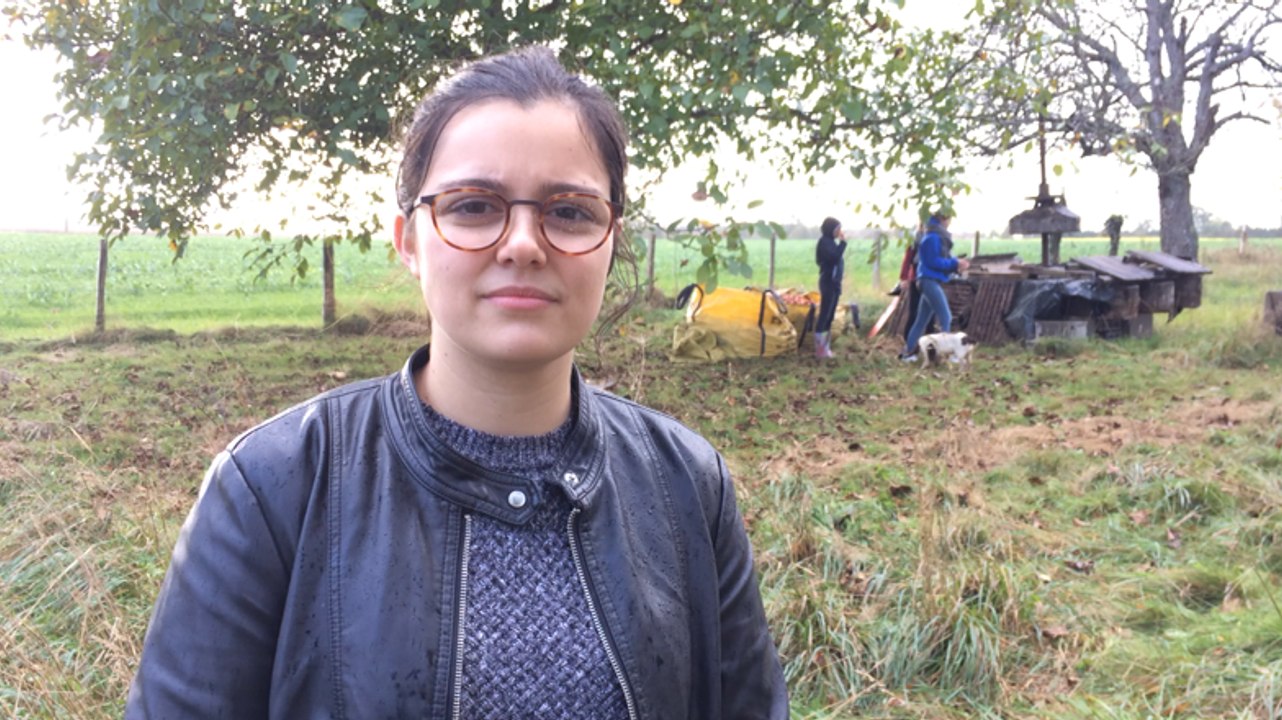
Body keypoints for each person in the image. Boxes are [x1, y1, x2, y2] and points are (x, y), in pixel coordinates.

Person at [125, 47, 787, 719]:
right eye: (474, 206)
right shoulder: (271, 489)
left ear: (612, 240)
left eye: (570, 212)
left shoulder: (688, 484)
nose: (523, 243)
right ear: (408, 240)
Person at [901, 212, 969, 361]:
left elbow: (942, 259)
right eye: (949, 219)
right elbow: (933, 262)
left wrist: (957, 263)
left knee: (921, 320)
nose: (950, 223)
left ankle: (907, 353)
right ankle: (949, 354)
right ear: (943, 219)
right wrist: (954, 264)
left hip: (929, 280)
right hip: (928, 280)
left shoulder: (934, 236)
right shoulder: (932, 237)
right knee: (946, 316)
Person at [813, 216, 847, 358]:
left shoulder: (831, 242)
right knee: (825, 314)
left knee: (830, 316)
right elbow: (834, 257)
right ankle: (820, 349)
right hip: (828, 282)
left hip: (834, 283)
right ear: (830, 229)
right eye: (837, 228)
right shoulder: (824, 242)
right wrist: (843, 243)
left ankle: (825, 347)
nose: (840, 231)